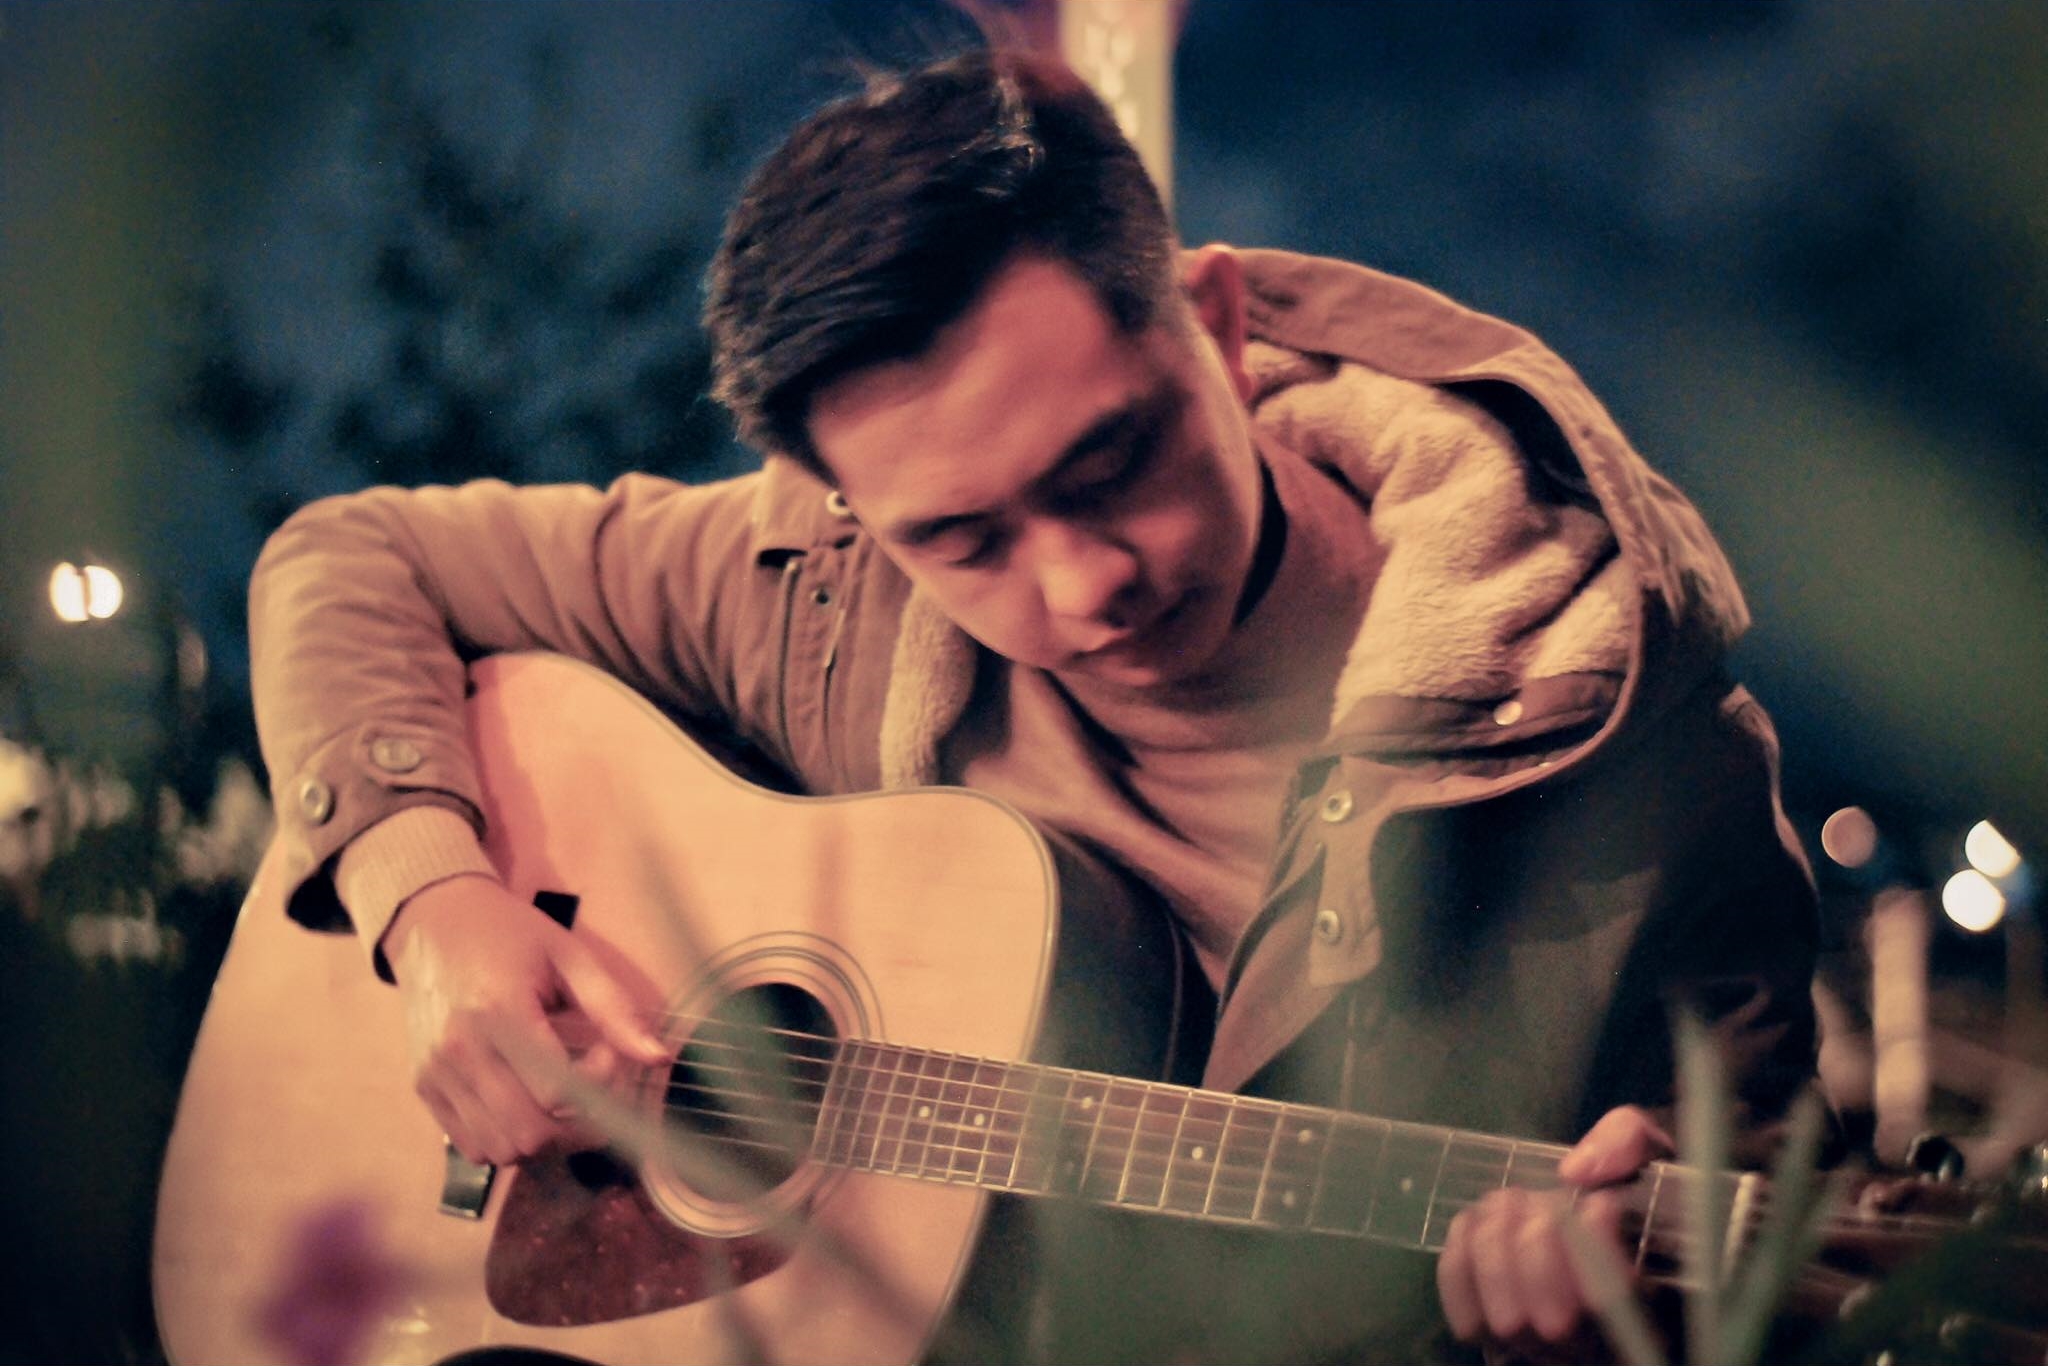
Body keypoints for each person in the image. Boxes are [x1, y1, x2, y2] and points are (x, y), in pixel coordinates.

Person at [247, 49, 1820, 1362]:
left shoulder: (1646, 757)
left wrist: (1595, 1332)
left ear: (1216, 327)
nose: (1081, 586)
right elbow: (351, 556)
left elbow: (1747, 1254)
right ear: (851, 510)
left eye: (1110, 460)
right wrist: (432, 902)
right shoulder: (811, 591)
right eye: (961, 539)